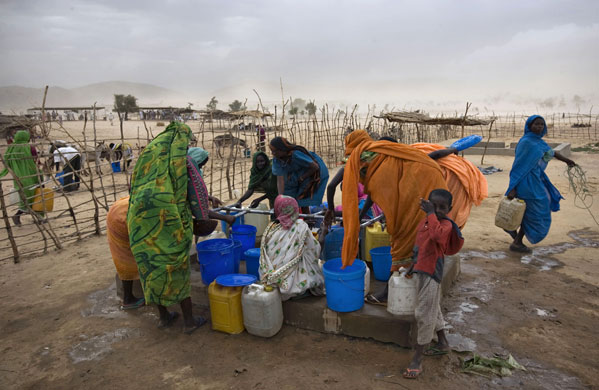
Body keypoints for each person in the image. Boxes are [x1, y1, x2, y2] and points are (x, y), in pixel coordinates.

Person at [127, 122, 233, 334]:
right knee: (176, 268)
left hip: (139, 225)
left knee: (153, 268)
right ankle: (189, 322)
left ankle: (164, 317)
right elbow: (199, 205)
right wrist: (212, 220)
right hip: (170, 226)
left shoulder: (148, 160)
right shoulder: (184, 163)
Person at [340, 130, 448, 293]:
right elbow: (374, 194)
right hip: (429, 184)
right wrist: (359, 217)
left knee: (402, 234)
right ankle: (408, 280)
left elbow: (390, 203)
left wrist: (391, 223)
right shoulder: (385, 158)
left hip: (421, 190)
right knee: (415, 233)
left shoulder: (381, 164)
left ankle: (395, 288)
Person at [403, 189, 464, 379]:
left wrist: (430, 213)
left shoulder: (444, 225)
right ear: (427, 203)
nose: (437, 210)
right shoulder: (426, 221)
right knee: (432, 306)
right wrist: (412, 265)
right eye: (434, 206)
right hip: (421, 270)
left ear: (450, 209)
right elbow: (420, 244)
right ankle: (443, 342)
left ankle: (418, 359)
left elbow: (437, 237)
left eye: (442, 207)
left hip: (432, 273)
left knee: (424, 313)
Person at [504, 115, 576, 253]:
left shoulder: (539, 142)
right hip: (525, 182)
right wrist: (513, 187)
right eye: (536, 124)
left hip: (536, 179)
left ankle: (513, 232)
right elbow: (518, 167)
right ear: (529, 126)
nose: (539, 127)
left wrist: (567, 161)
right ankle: (517, 241)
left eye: (542, 125)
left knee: (530, 210)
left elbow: (551, 153)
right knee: (536, 209)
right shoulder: (526, 142)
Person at [259, 195, 325, 300]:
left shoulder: (271, 228)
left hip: (268, 279)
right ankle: (299, 287)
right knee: (308, 256)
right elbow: (315, 250)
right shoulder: (301, 227)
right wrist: (324, 230)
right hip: (292, 286)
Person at [411, 143, 488, 229]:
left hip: (452, 178)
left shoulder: (408, 156)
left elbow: (433, 155)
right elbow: (434, 155)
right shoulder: (410, 154)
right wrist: (451, 150)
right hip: (455, 177)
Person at [269, 137, 329, 213]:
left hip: (314, 172)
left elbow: (315, 167)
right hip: (298, 172)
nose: (273, 154)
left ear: (282, 149)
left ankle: (309, 219)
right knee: (288, 193)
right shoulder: (277, 160)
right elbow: (280, 180)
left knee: (303, 197)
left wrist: (302, 178)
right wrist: (281, 197)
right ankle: (301, 217)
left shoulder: (296, 154)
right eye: (272, 151)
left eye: (275, 151)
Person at [107, 197, 145, 310]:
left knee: (122, 256)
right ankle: (128, 299)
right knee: (127, 257)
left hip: (118, 210)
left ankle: (128, 297)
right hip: (123, 217)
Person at [0, 130, 44, 225]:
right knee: (34, 195)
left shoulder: (11, 148)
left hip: (18, 176)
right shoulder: (29, 146)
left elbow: (7, 161)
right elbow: (35, 159)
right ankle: (20, 215)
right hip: (30, 174)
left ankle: (37, 217)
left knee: (26, 195)